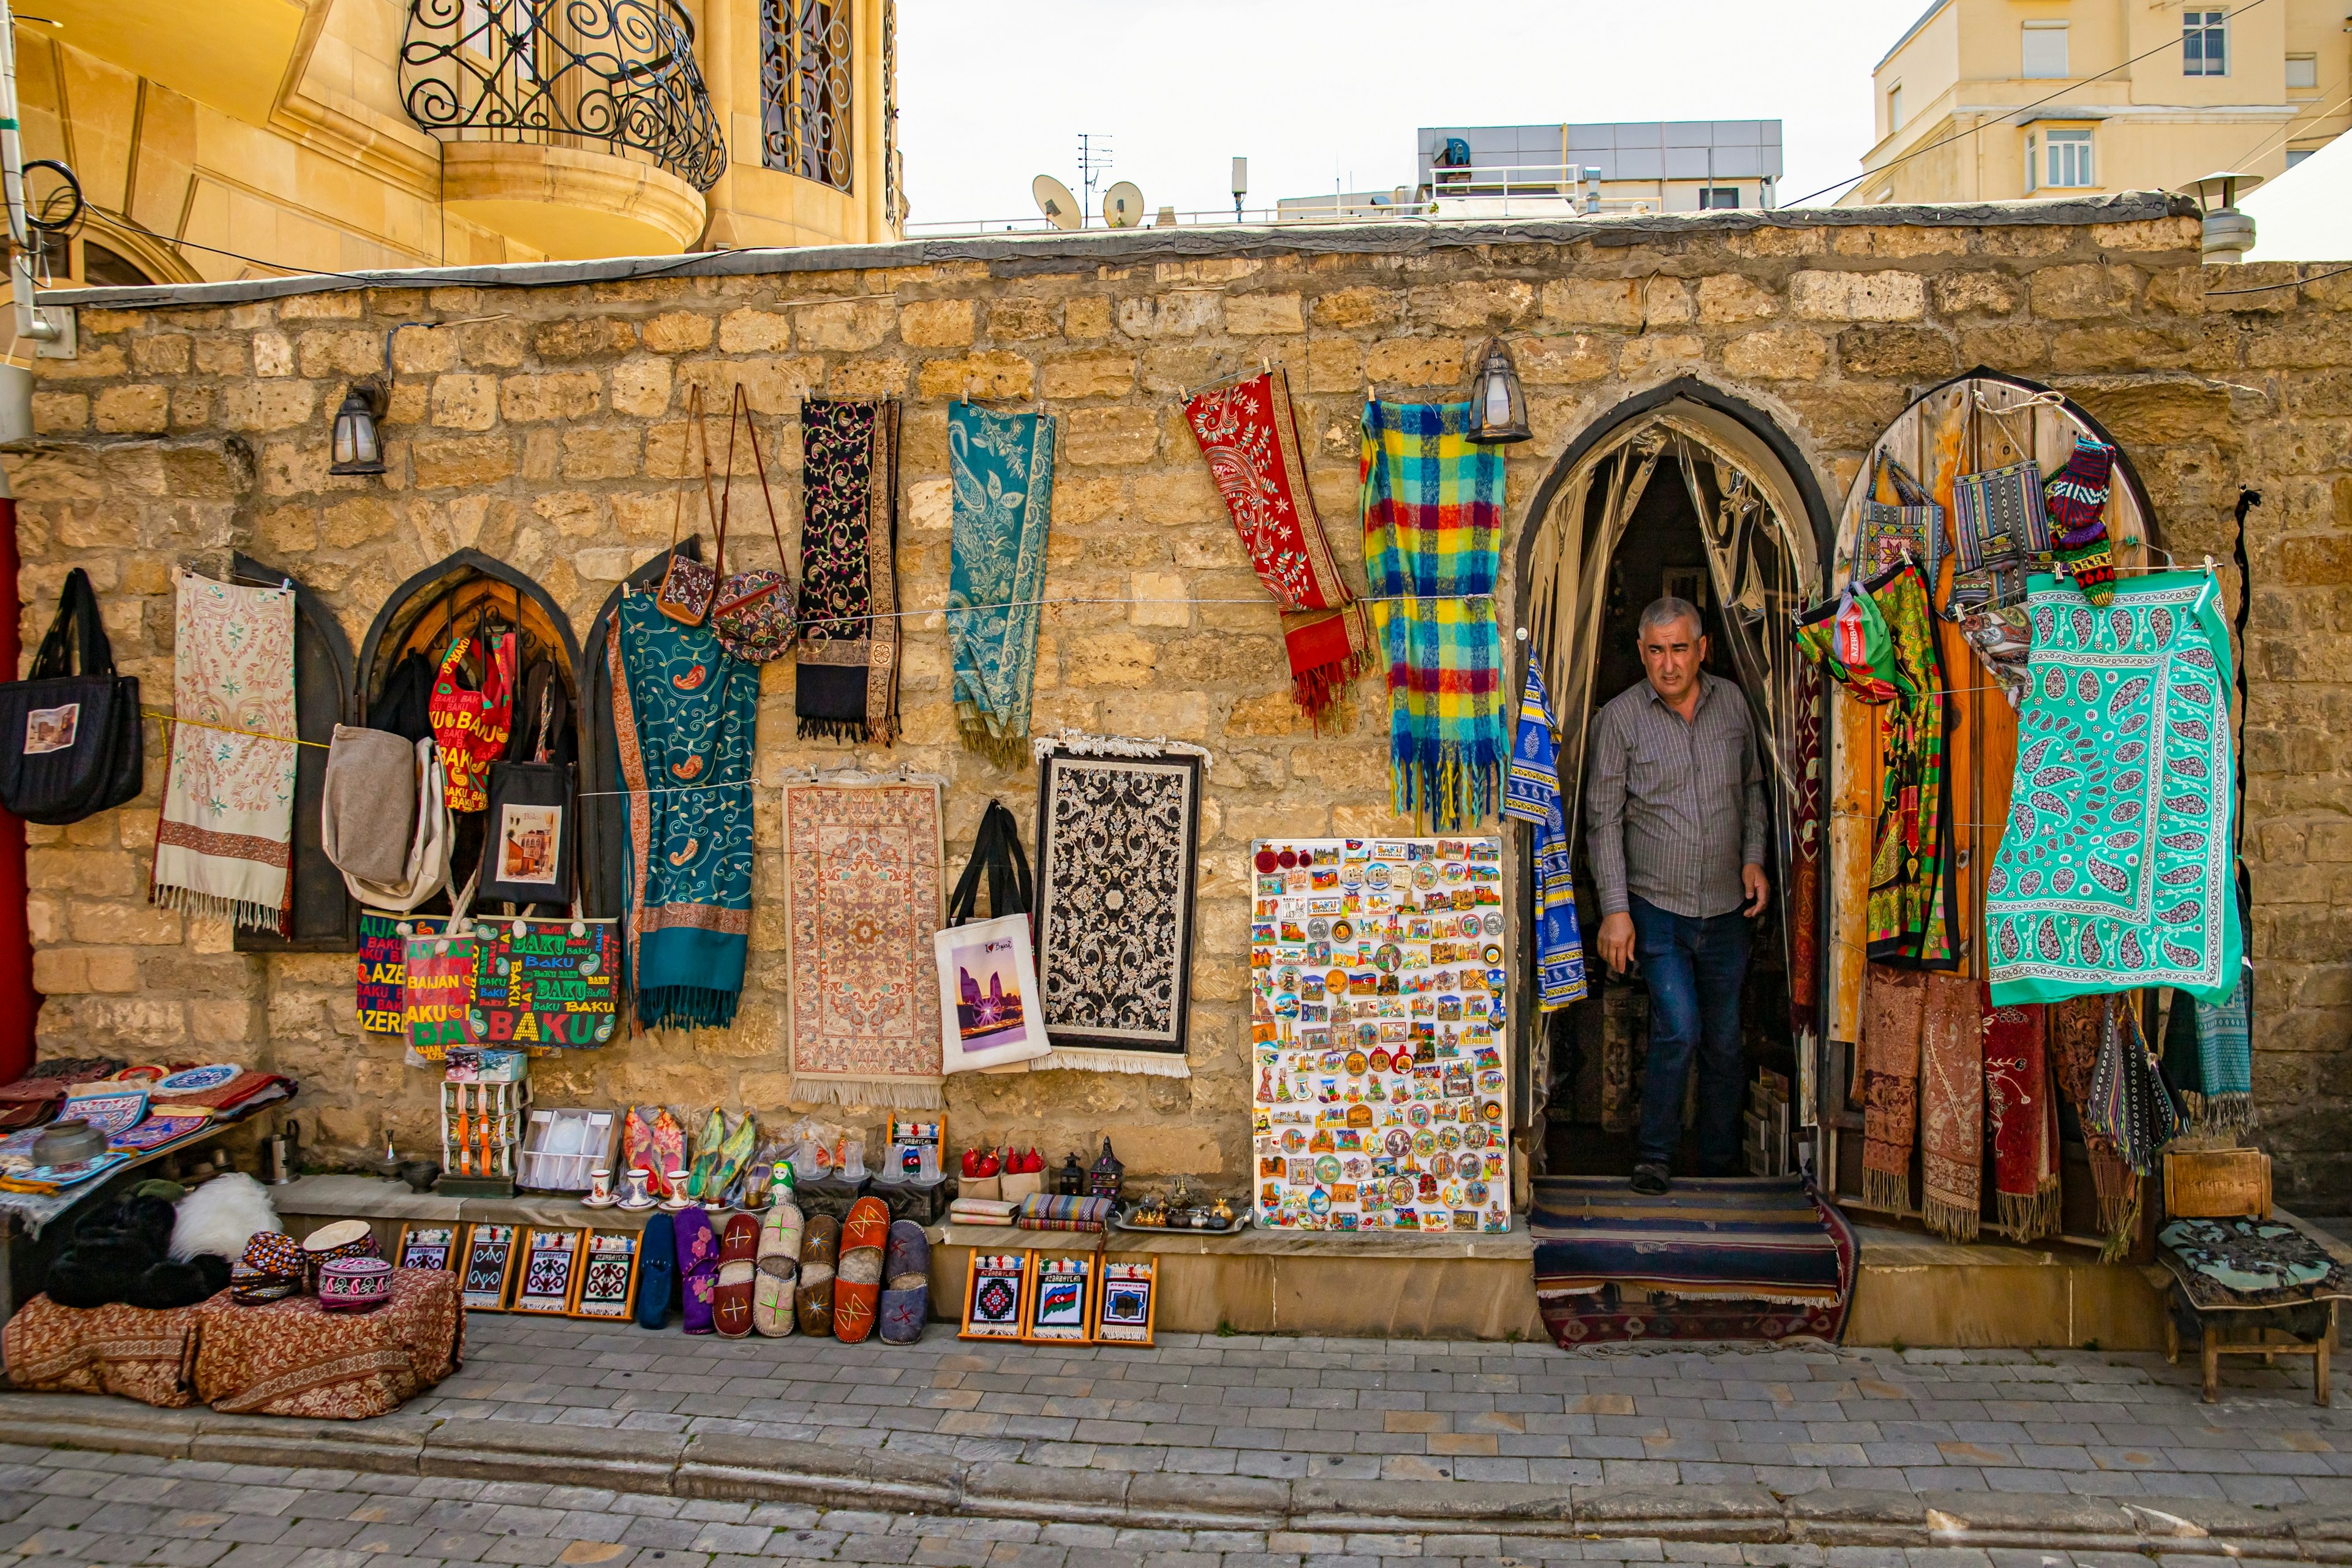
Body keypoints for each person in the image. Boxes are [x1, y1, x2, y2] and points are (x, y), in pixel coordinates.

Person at [1585, 596, 1766, 1196]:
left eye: (1679, 649)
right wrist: (1614, 909)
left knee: (1723, 1039)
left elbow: (1754, 789)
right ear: (1640, 652)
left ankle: (1718, 1162)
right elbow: (1603, 820)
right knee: (1678, 1028)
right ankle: (1655, 1154)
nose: (1668, 664)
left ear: (1702, 649)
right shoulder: (1618, 719)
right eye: (1656, 650)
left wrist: (1754, 859)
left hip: (1726, 909)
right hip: (1655, 907)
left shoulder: (1734, 705)